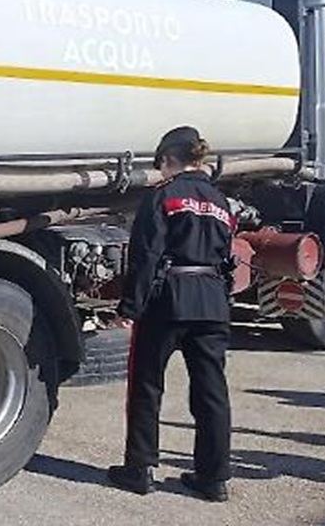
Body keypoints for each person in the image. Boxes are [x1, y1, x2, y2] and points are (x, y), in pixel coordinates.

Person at [106, 125, 236, 502]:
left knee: (146, 384)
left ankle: (139, 469)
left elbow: (145, 256)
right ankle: (213, 478)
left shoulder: (163, 196)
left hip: (168, 300)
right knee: (212, 392)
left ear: (167, 160)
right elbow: (228, 255)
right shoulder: (220, 202)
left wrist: (129, 308)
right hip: (212, 301)